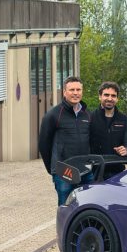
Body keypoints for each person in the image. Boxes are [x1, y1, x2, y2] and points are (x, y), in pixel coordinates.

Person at [39, 76, 92, 205]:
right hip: (64, 172)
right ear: (64, 92)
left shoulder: (87, 114)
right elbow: (43, 144)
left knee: (87, 207)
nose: (75, 93)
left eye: (78, 90)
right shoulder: (53, 115)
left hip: (86, 171)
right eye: (72, 89)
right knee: (66, 208)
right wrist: (53, 169)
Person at [89, 81, 127, 177]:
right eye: (106, 95)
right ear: (100, 96)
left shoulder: (124, 119)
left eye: (113, 96)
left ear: (117, 99)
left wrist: (126, 150)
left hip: (117, 171)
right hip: (95, 171)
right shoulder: (90, 117)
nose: (110, 98)